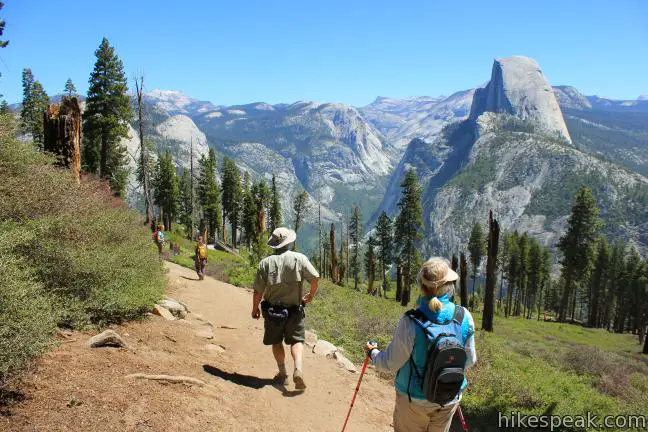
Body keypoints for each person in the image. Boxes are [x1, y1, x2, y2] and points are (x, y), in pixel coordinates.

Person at [364, 257, 477, 432]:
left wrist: (373, 353)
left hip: (413, 400)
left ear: (421, 286)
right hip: (448, 398)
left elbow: (390, 363)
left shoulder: (411, 321)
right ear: (449, 285)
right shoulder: (464, 316)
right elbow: (469, 360)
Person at [251, 227, 320, 390]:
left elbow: (258, 291)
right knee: (296, 340)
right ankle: (298, 369)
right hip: (295, 310)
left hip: (272, 311)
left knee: (276, 342)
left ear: (274, 244)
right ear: (288, 243)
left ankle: (283, 374)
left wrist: (255, 308)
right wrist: (310, 295)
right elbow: (315, 278)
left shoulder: (265, 263)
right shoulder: (300, 259)